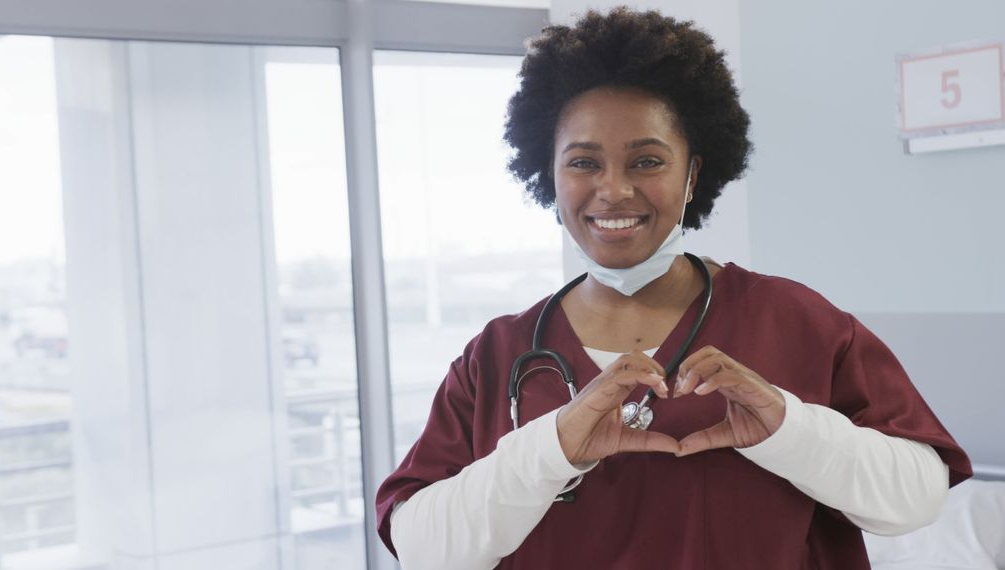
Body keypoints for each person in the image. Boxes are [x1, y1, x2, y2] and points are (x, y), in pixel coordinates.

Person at [375, 8, 972, 570]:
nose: (613, 190)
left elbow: (918, 496)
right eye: (583, 163)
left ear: (693, 174)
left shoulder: (795, 320)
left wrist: (789, 431)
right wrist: (552, 448)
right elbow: (421, 543)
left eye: (647, 161)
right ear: (548, 174)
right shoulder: (496, 354)